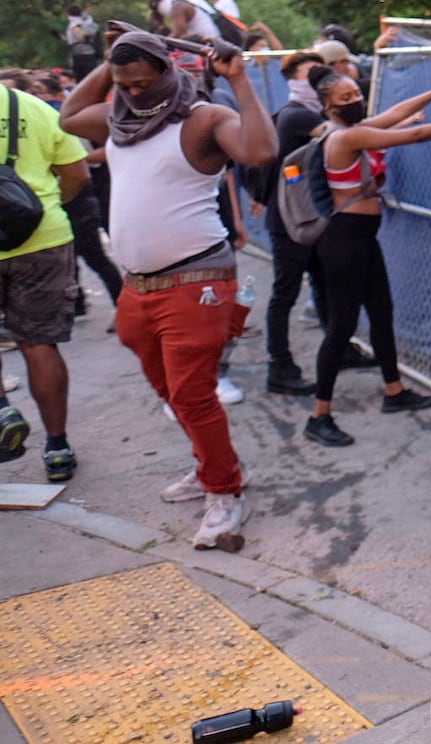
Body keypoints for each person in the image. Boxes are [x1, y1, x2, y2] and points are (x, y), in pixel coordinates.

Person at [59, 31, 277, 550]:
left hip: (196, 279)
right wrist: (114, 59)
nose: (135, 91)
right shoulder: (119, 122)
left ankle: (226, 492)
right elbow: (68, 117)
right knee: (168, 391)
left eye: (143, 80)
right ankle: (213, 467)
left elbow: (263, 150)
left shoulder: (201, 118)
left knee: (191, 393)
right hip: (139, 287)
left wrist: (240, 79)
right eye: (124, 83)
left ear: (167, 71)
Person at [303, 69, 431, 446]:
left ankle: (394, 390)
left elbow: (398, 112)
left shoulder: (352, 128)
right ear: (327, 107)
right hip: (343, 241)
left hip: (362, 239)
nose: (353, 100)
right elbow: (413, 133)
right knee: (341, 327)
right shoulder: (344, 136)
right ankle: (318, 415)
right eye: (344, 98)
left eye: (356, 92)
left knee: (382, 314)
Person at [0, 83, 90, 481]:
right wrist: (47, 204)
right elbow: (77, 174)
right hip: (41, 239)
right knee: (39, 344)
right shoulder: (32, 106)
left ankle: (2, 411)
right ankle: (57, 447)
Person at [247, 53, 349, 396]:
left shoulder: (310, 113)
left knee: (324, 285)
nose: (321, 80)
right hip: (289, 221)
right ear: (293, 80)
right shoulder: (297, 117)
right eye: (312, 75)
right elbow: (345, 136)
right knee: (285, 293)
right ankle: (280, 366)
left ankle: (340, 347)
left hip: (310, 216)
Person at [29, 75, 123, 322]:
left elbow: (85, 159)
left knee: (94, 256)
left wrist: (67, 166)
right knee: (73, 258)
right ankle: (78, 303)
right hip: (74, 194)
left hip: (86, 193)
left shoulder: (60, 118)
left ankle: (123, 306)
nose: (38, 94)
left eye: (40, 89)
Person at [63, 4, 101, 81]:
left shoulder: (77, 24)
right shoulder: (85, 22)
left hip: (83, 53)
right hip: (84, 52)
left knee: (84, 78)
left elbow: (81, 36)